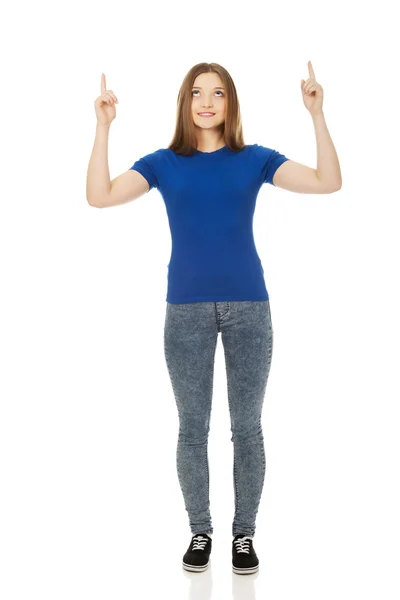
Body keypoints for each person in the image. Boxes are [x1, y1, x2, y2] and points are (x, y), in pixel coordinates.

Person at [86, 62, 342, 575]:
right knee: (191, 428)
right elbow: (99, 196)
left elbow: (327, 182)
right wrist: (103, 127)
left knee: (247, 428)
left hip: (250, 308)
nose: (207, 102)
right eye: (197, 93)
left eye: (218, 93)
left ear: (230, 103)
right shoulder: (164, 163)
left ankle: (243, 535)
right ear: (185, 102)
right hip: (185, 311)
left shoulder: (254, 159)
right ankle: (199, 531)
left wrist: (317, 115)